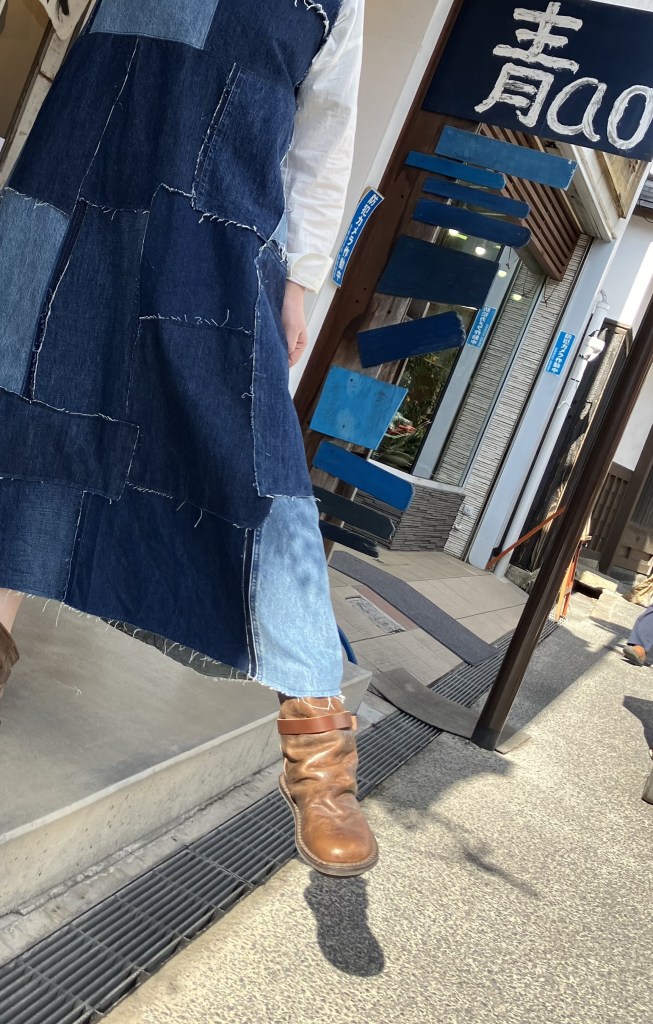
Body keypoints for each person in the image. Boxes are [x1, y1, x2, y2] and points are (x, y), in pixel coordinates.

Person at [0, 0, 377, 878]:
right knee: (27, 408)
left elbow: (324, 137)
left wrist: (301, 281)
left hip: (222, 230)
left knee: (254, 465)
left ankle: (318, 744)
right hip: (72, 185)